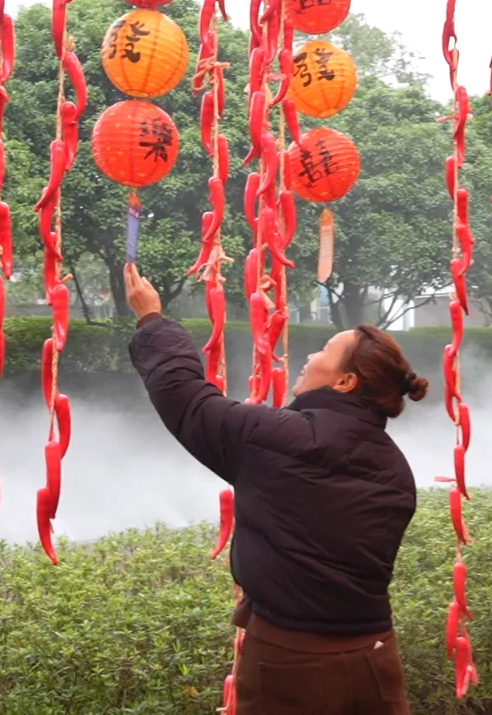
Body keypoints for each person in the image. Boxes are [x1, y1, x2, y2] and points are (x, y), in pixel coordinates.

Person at [124, 264, 426, 715]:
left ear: (345, 382)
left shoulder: (283, 438)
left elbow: (186, 399)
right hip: (378, 657)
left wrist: (151, 320)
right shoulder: (396, 468)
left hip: (292, 665)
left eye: (324, 351)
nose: (310, 356)